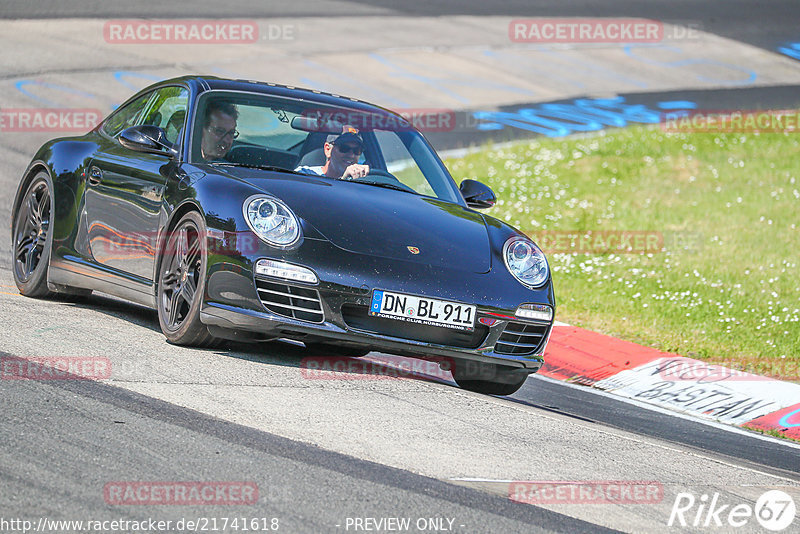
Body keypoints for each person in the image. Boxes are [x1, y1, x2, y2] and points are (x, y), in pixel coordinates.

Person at [296, 126, 370, 179]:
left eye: (357, 150)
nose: (351, 155)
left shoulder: (360, 181)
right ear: (328, 149)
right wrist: (343, 180)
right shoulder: (305, 174)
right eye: (344, 148)